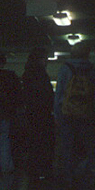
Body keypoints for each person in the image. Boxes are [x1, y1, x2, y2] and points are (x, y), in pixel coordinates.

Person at [54, 42, 95, 190]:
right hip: (86, 115)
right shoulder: (91, 70)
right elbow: (94, 95)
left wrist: (57, 113)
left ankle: (68, 178)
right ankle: (84, 176)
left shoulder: (65, 68)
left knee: (67, 145)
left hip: (67, 113)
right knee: (86, 146)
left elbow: (59, 93)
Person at [20, 47, 54, 179]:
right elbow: (47, 95)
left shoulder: (27, 74)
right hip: (43, 114)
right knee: (43, 143)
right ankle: (42, 169)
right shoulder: (41, 75)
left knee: (34, 142)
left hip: (32, 113)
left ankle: (34, 170)